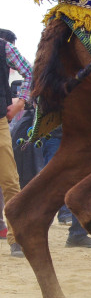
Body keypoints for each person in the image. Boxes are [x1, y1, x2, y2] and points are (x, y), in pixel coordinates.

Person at [0, 28, 32, 258]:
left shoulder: (4, 47)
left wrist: (21, 102)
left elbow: (30, 72)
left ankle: (16, 238)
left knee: (10, 180)